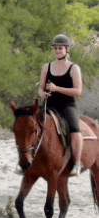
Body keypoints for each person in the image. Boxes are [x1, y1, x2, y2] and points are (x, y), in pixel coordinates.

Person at [39, 33, 83, 176]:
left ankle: (77, 163)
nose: (57, 51)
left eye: (60, 48)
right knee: (31, 122)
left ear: (67, 49)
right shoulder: (46, 67)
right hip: (49, 104)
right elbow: (40, 88)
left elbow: (78, 91)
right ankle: (26, 159)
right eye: (55, 48)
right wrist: (42, 93)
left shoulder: (74, 68)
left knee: (74, 129)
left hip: (67, 105)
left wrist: (56, 88)